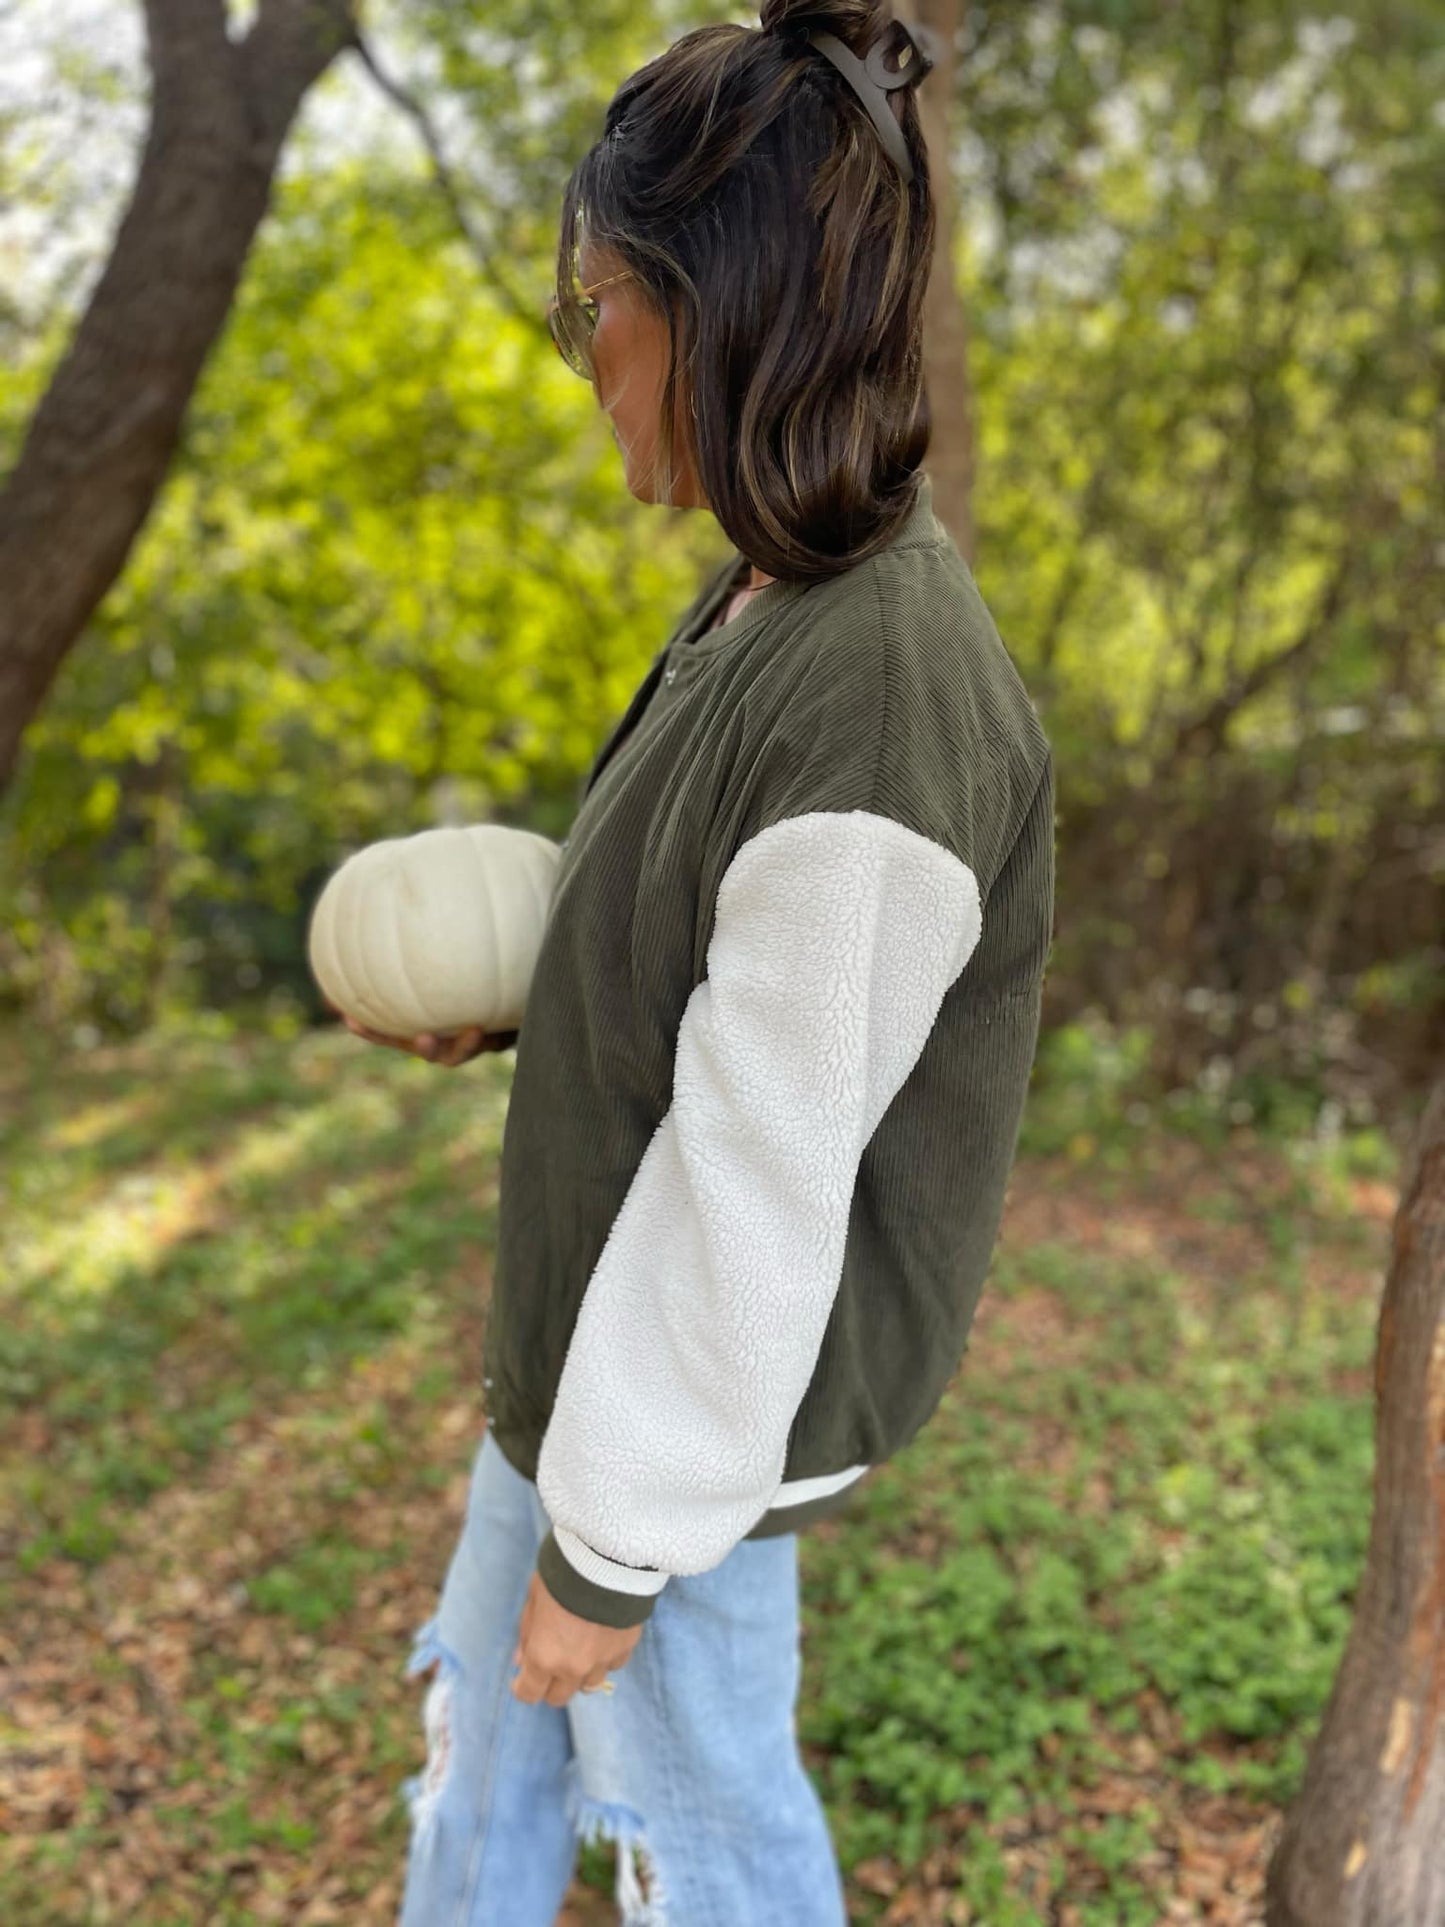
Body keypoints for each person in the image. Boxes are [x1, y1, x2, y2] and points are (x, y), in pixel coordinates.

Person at [342, 4, 1055, 1921]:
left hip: (680, 1449)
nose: (585, 365)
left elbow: (760, 1174)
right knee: (483, 1752)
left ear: (713, 306)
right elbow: (710, 981)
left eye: (596, 310)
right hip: (586, 1388)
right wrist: (526, 1010)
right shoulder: (770, 593)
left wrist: (616, 1546)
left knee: (701, 1834)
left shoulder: (877, 693)